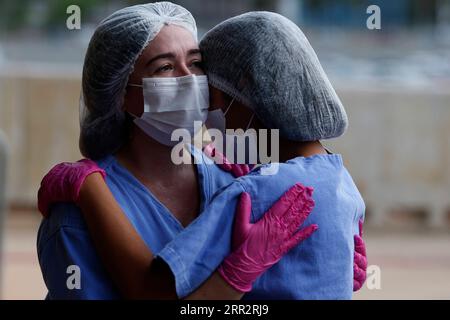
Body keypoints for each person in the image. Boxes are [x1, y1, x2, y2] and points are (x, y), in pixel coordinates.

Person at [37, 5, 367, 299]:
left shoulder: (238, 183)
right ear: (120, 94)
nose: (191, 80)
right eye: (165, 67)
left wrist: (320, 260)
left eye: (196, 63)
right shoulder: (79, 217)